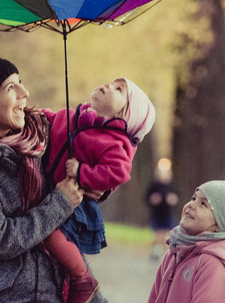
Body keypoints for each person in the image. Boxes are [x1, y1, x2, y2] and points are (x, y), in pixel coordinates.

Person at [0, 56, 105, 303]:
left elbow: (80, 169)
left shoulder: (40, 134)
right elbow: (1, 240)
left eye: (20, 82)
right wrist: (60, 202)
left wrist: (92, 184)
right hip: (15, 296)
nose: (24, 93)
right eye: (10, 88)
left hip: (70, 286)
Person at [43, 77, 156, 303]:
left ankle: (82, 278)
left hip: (75, 206)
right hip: (52, 194)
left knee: (50, 235)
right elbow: (55, 120)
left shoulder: (114, 142)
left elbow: (117, 173)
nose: (108, 85)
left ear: (126, 114)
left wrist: (82, 171)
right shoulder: (78, 118)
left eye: (118, 89)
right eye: (111, 82)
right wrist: (40, 116)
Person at [147, 180, 225, 303]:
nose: (191, 205)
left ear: (220, 224)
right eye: (193, 198)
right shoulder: (174, 251)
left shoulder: (214, 265)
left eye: (203, 204)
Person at [145, 158, 179, 260]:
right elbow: (147, 198)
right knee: (157, 235)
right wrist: (153, 199)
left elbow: (176, 198)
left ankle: (166, 255)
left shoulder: (171, 186)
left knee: (166, 235)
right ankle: (155, 252)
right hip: (156, 214)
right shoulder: (154, 186)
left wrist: (172, 200)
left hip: (167, 214)